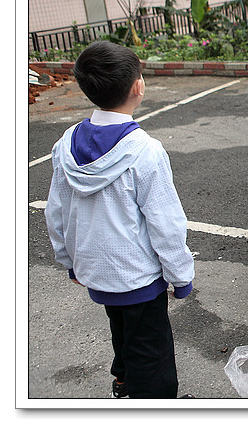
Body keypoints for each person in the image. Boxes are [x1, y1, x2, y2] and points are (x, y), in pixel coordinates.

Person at [45, 40, 195, 399]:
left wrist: (69, 261)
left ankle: (123, 384)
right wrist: (180, 274)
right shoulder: (145, 150)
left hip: (96, 270)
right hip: (137, 275)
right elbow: (165, 223)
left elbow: (56, 211)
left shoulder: (65, 145)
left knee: (122, 329)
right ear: (138, 86)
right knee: (151, 351)